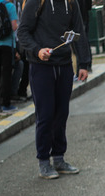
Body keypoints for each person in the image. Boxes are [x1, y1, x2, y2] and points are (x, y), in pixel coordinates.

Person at [17, 0, 91, 179]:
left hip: (64, 66)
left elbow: (78, 31)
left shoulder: (71, 3)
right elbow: (22, 32)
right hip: (41, 67)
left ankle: (59, 158)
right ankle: (44, 162)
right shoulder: (36, 2)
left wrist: (83, 63)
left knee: (61, 114)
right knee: (45, 115)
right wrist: (37, 50)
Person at [0, 0, 18, 114]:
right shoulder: (10, 6)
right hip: (7, 44)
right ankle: (6, 104)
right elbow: (14, 26)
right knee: (6, 74)